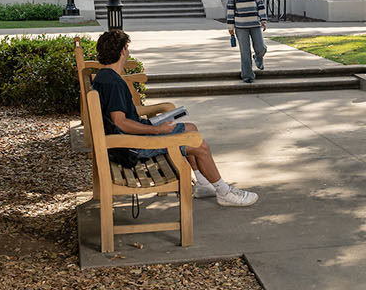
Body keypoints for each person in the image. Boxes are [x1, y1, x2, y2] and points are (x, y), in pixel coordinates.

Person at [92, 29, 258, 206]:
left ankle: (203, 183)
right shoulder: (113, 83)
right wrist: (157, 129)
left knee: (191, 128)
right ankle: (224, 192)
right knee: (197, 142)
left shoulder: (104, 77)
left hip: (125, 142)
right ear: (124, 50)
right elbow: (120, 122)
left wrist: (156, 123)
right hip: (132, 147)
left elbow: (120, 121)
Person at [226, 0, 266, 83]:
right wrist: (230, 27)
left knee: (261, 48)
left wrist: (263, 20)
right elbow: (230, 11)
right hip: (240, 27)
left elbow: (261, 6)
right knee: (245, 52)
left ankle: (258, 59)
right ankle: (247, 75)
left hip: (255, 24)